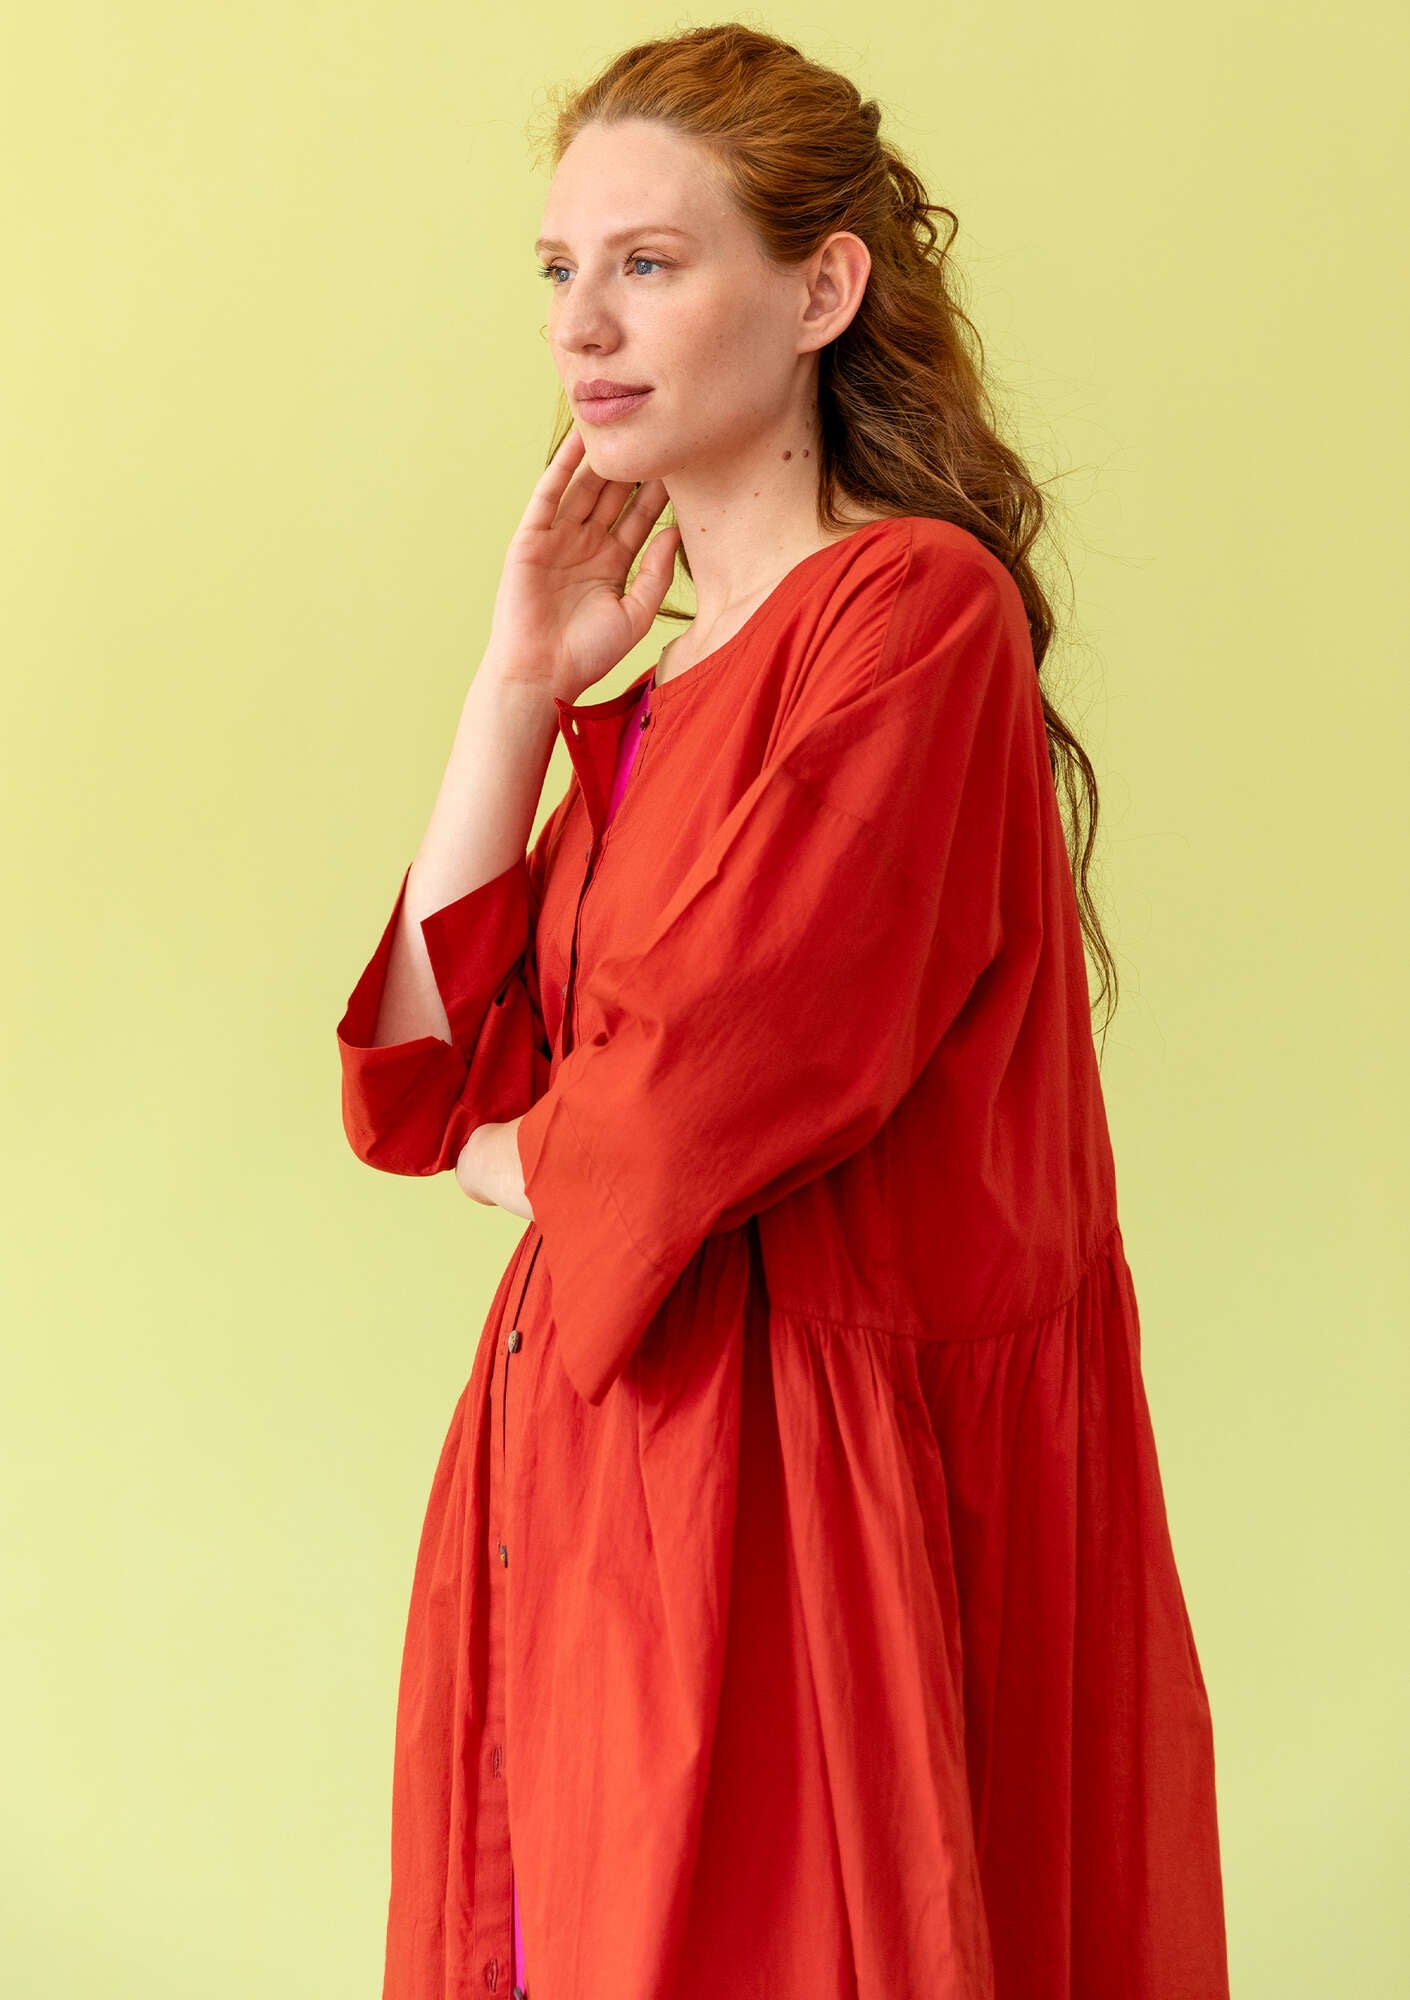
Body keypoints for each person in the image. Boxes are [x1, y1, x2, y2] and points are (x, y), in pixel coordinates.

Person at [334, 23, 1230, 2000]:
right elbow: (426, 1083)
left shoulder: (911, 615)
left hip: (797, 1497)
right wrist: (517, 687)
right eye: (559, 271)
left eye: (649, 264)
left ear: (821, 289)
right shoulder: (652, 698)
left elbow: (714, 1080)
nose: (583, 326)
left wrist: (530, 1157)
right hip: (600, 1468)